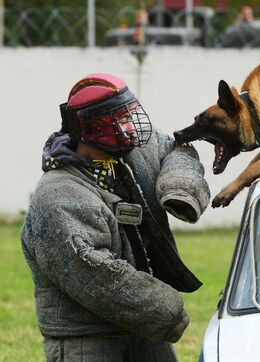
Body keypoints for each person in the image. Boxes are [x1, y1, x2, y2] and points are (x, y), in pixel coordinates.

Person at [20, 73, 210, 361]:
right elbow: (96, 273)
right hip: (86, 338)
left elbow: (177, 148)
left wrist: (179, 187)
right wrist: (166, 308)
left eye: (129, 116)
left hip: (142, 330)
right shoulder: (57, 194)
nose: (130, 127)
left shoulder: (131, 152)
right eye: (119, 120)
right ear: (92, 128)